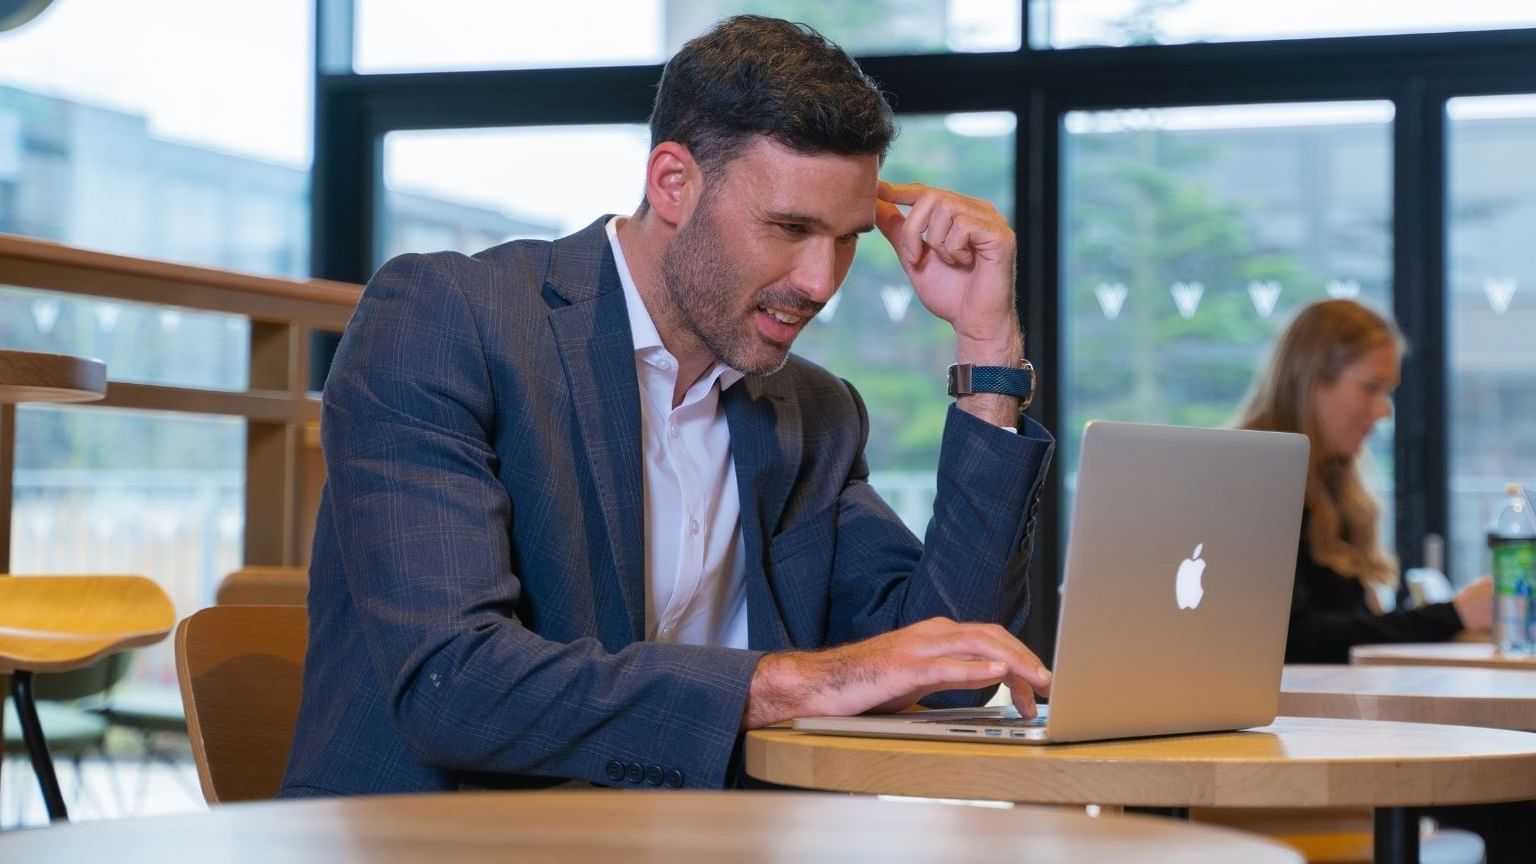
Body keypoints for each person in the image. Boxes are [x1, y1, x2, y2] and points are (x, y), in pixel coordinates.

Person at [279, 15, 1055, 797]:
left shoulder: (812, 411)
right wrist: (798, 684)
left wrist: (987, 352)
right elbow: (454, 684)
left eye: (848, 238)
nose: (821, 282)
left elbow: (950, 667)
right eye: (790, 228)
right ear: (674, 183)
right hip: (449, 846)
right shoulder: (451, 319)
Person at [1236, 298, 1491, 664]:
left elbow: (1349, 633)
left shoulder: (1330, 481)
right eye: (1371, 388)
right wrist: (1453, 615)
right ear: (1313, 381)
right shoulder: (1252, 479)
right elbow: (1292, 639)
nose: (1384, 410)